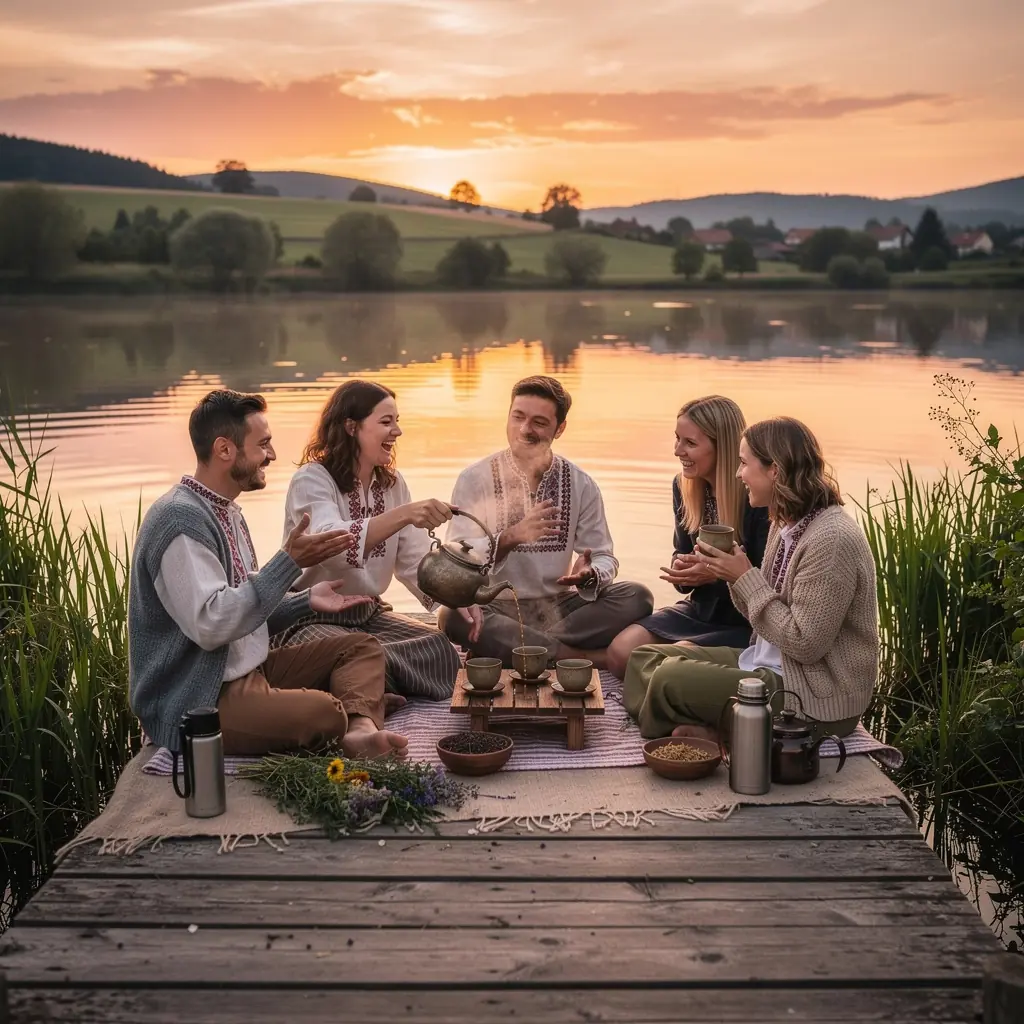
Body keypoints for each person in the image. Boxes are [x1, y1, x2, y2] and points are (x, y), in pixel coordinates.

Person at [128, 389, 408, 759]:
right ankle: (348, 718)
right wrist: (287, 562)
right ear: (225, 450)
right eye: (263, 445)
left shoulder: (226, 511)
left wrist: (303, 602)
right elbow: (214, 625)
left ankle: (359, 729)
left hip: (243, 670)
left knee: (361, 648)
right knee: (325, 713)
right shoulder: (181, 521)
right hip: (198, 695)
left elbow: (242, 610)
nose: (273, 455)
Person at [623, 416, 878, 740]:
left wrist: (745, 577)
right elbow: (763, 619)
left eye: (744, 463)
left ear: (775, 470)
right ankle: (707, 725)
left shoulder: (831, 540)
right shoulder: (784, 521)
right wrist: (729, 573)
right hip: (765, 662)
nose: (738, 474)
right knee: (644, 658)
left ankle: (704, 725)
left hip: (810, 696)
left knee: (669, 678)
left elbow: (804, 644)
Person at [438, 375, 653, 669]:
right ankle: (581, 658)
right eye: (518, 417)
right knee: (451, 616)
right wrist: (510, 537)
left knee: (638, 596)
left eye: (539, 422)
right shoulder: (475, 479)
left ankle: (521, 647)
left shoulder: (580, 484)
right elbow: (456, 559)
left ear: (560, 428)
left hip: (561, 608)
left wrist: (590, 575)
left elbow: (603, 555)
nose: (525, 430)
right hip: (495, 604)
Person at [280, 380, 460, 701]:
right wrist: (404, 514)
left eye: (397, 422)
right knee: (352, 652)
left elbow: (415, 561)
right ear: (351, 427)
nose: (397, 432)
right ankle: (367, 689)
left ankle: (364, 688)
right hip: (311, 618)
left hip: (368, 615)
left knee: (439, 648)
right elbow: (334, 546)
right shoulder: (312, 480)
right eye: (386, 422)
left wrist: (456, 601)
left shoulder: (392, 484)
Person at [606, 396, 769, 678]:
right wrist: (682, 570)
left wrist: (715, 575)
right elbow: (681, 555)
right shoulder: (684, 487)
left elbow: (773, 578)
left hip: (746, 621)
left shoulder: (756, 497)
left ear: (724, 447)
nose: (677, 451)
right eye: (677, 439)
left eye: (690, 443)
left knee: (673, 662)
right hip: (700, 611)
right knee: (620, 652)